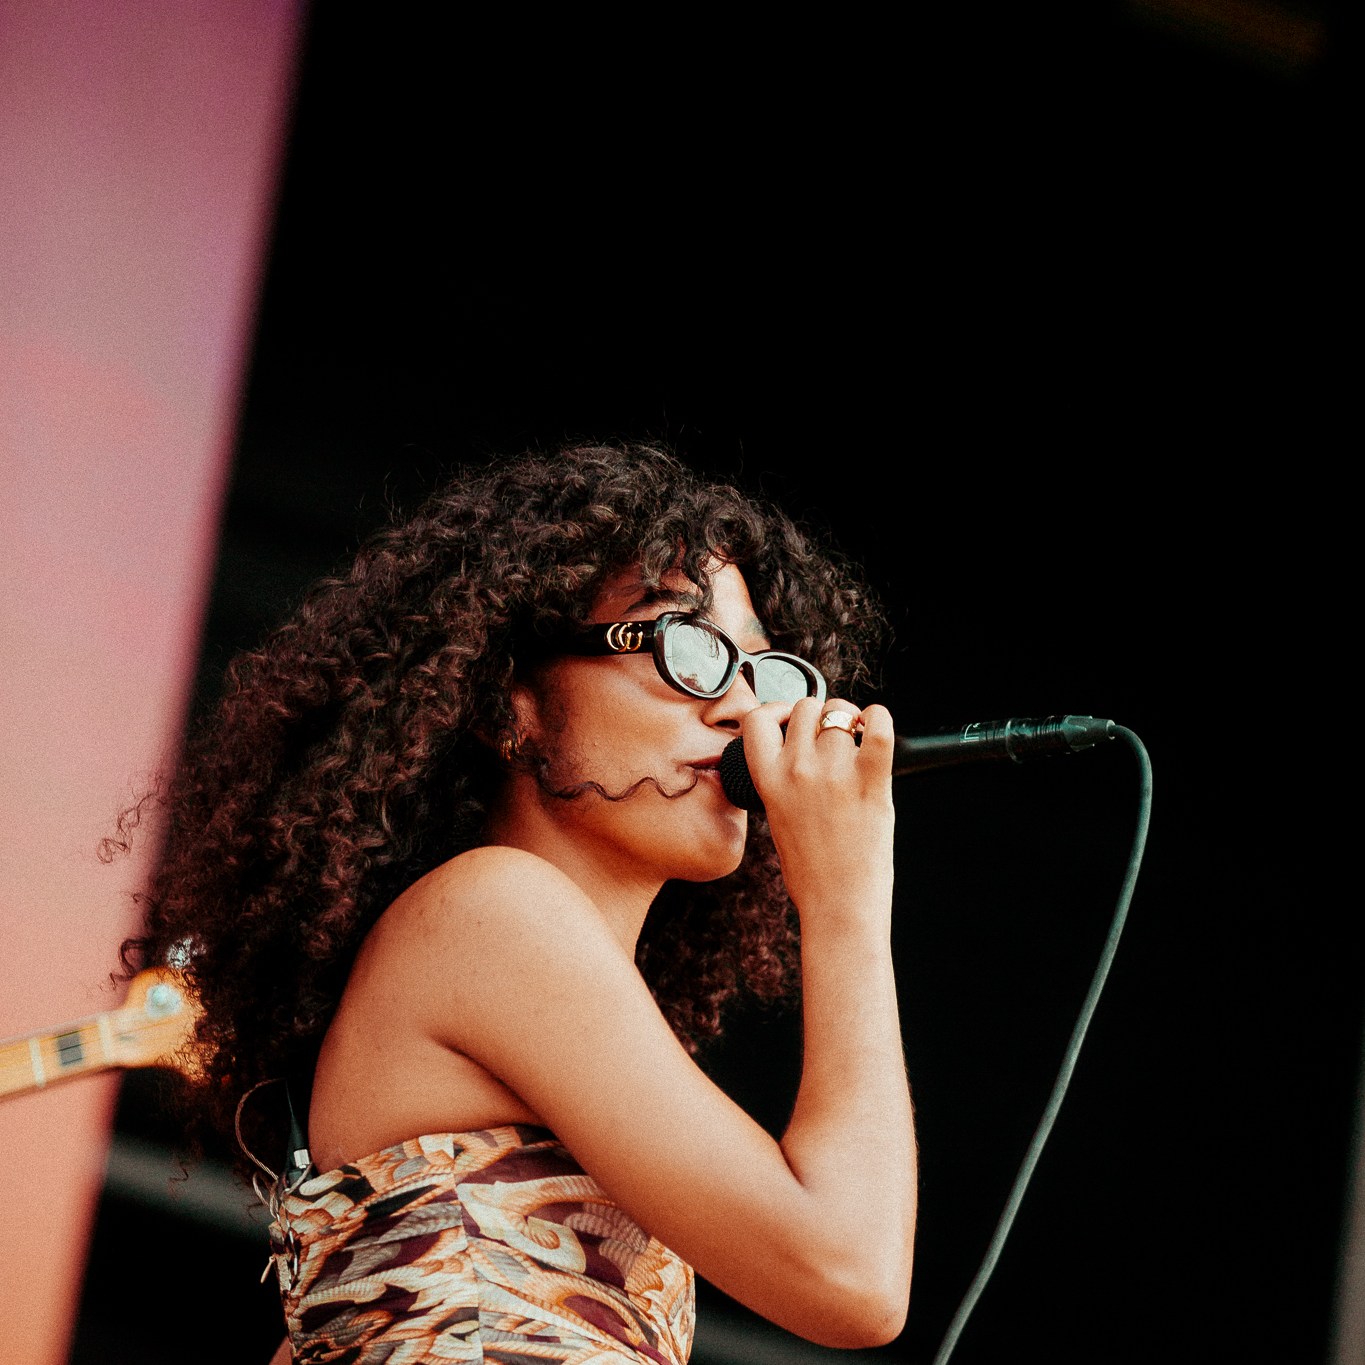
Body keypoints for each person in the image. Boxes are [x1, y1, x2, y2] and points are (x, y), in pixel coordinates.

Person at [120, 442, 916, 1363]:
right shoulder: (491, 911)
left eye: (764, 668)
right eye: (686, 649)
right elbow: (851, 1277)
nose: (746, 708)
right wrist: (848, 895)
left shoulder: (520, 962)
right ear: (510, 705)